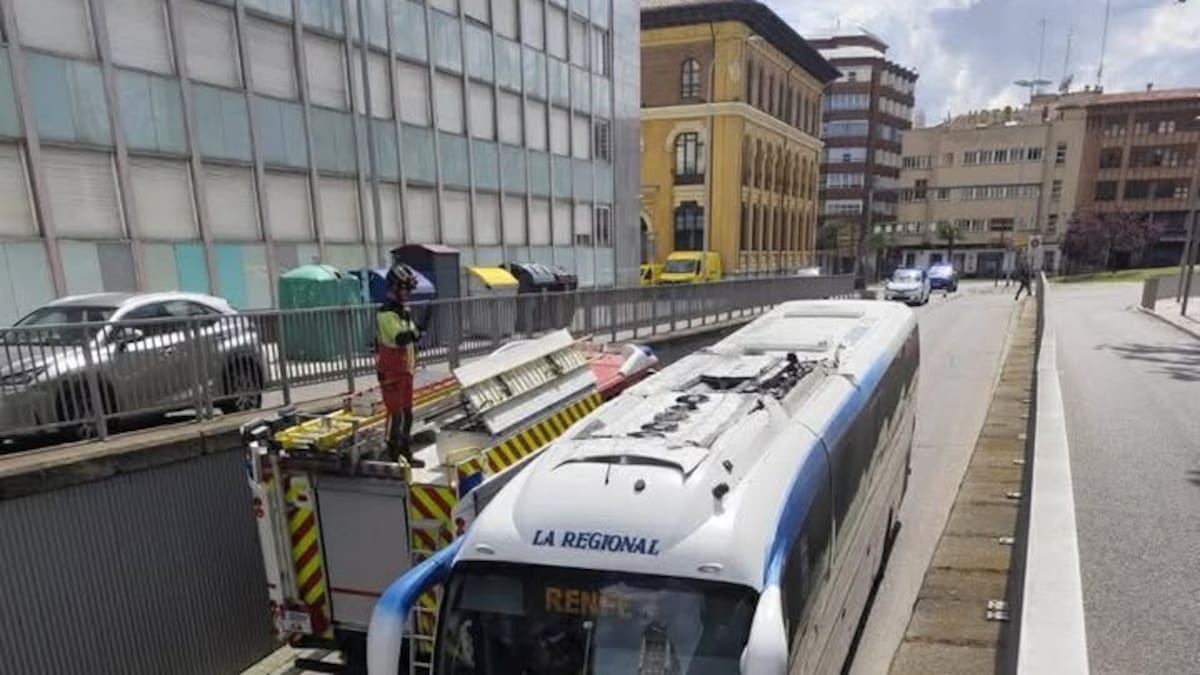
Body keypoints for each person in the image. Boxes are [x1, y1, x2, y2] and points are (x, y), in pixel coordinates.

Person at [376, 263, 424, 467]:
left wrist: (415, 332)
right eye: (404, 289)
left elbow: (413, 335)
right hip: (392, 372)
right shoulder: (386, 313)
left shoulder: (403, 311)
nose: (407, 293)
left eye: (408, 289)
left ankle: (406, 452)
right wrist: (415, 332)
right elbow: (399, 338)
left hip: (406, 371)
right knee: (395, 415)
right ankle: (392, 453)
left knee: (407, 414)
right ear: (394, 288)